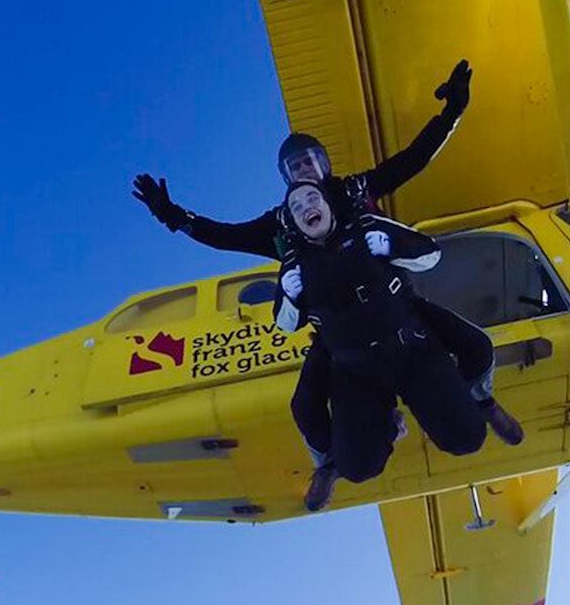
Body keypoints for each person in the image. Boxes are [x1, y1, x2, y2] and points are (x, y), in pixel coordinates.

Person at [132, 59, 521, 511]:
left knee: (476, 359)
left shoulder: (354, 192)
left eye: (312, 162)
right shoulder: (282, 225)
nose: (307, 173)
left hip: (400, 320)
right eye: (296, 167)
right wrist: (175, 217)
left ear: (326, 164)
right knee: (310, 414)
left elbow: (412, 161)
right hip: (344, 345)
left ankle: (482, 398)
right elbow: (225, 236)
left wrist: (452, 112)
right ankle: (330, 460)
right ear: (286, 178)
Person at [273, 180, 495, 484]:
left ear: (327, 203)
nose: (307, 208)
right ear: (296, 224)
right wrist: (289, 295)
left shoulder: (366, 228)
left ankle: (478, 398)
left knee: (467, 438)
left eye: (313, 198)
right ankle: (377, 432)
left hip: (411, 349)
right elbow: (285, 324)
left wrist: (392, 245)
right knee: (358, 468)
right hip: (356, 369)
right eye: (297, 207)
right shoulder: (295, 264)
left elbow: (431, 256)